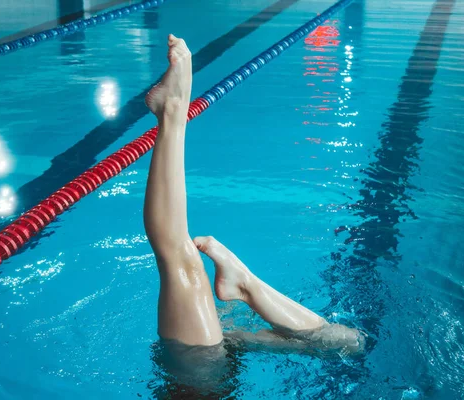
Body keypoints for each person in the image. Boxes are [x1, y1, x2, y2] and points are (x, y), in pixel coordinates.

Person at [143, 34, 364, 386]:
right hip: (202, 379)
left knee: (183, 261)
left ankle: (173, 113)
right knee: (348, 342)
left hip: (203, 379)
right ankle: (244, 284)